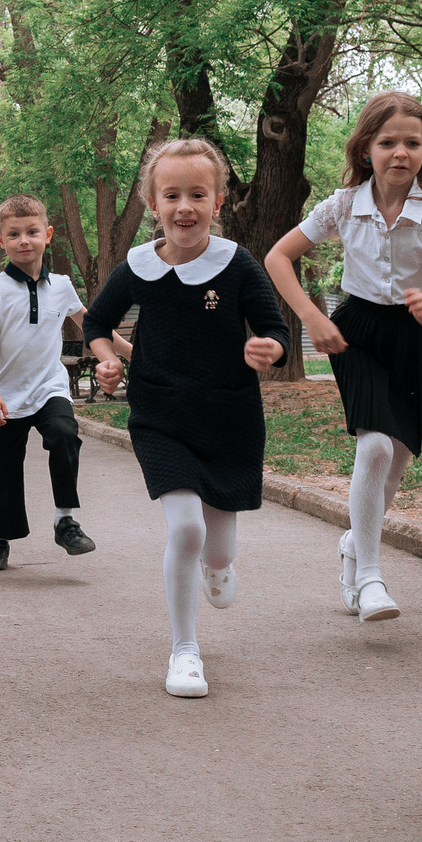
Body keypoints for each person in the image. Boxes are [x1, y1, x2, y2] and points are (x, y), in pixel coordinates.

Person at [84, 139, 289, 699]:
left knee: (218, 547)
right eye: (171, 194)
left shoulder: (237, 263)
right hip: (160, 415)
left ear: (217, 201)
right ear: (154, 203)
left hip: (228, 417)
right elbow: (96, 324)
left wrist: (267, 348)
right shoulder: (139, 267)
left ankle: (218, 568)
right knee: (187, 527)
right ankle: (184, 651)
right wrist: (107, 360)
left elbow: (276, 330)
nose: (184, 206)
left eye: (197, 194)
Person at [264, 92, 422, 623]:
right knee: (374, 447)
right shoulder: (341, 205)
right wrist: (314, 318)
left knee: (393, 465)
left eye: (412, 142)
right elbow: (277, 257)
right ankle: (372, 577)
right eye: (387, 142)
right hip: (356, 333)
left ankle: (355, 546)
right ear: (365, 151)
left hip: (418, 336)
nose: (400, 152)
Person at [0, 195, 94, 571]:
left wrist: (128, 354)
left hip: (49, 386)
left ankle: (65, 520)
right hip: (8, 393)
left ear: (48, 235)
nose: (24, 240)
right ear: (1, 239)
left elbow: (92, 326)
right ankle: (0, 540)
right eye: (14, 234)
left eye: (32, 232)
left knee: (64, 435)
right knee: (4, 462)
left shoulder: (63, 286)